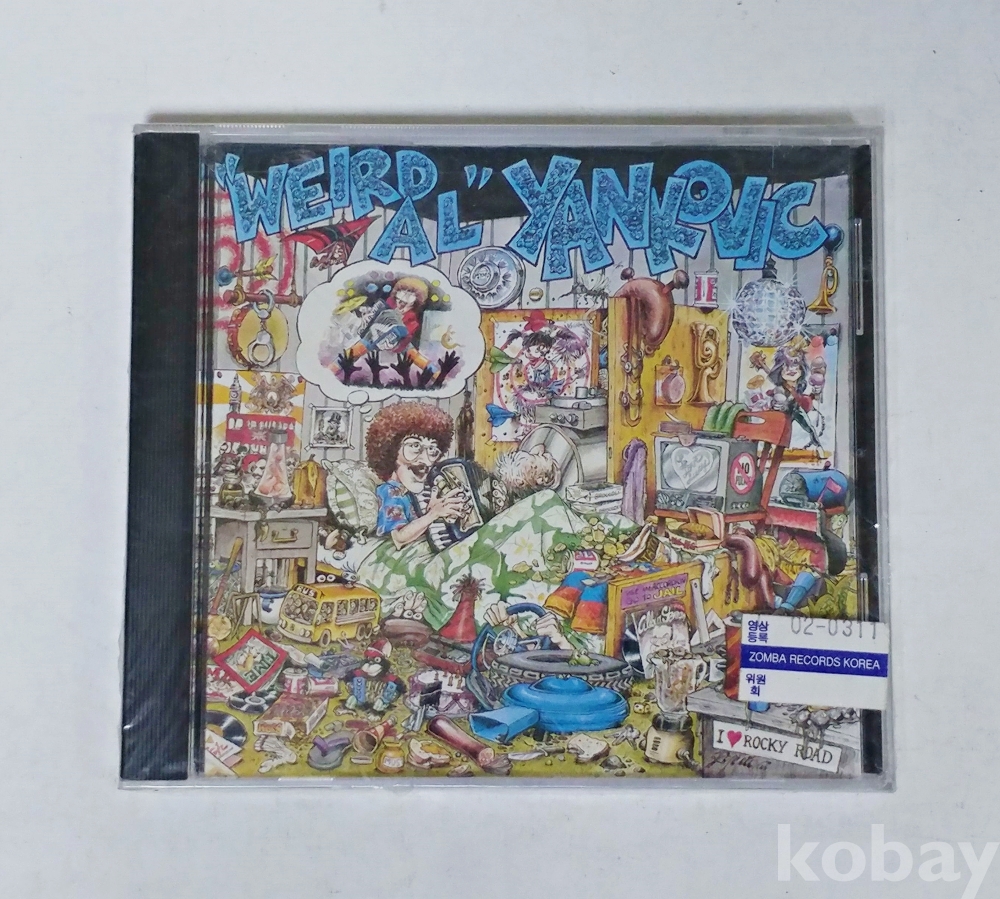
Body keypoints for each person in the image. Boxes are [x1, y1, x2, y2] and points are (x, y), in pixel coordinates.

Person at [366, 402, 469, 549]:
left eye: (432, 450)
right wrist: (433, 514)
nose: (427, 460)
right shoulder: (390, 491)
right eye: (415, 446)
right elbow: (399, 538)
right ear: (392, 449)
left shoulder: (426, 488)